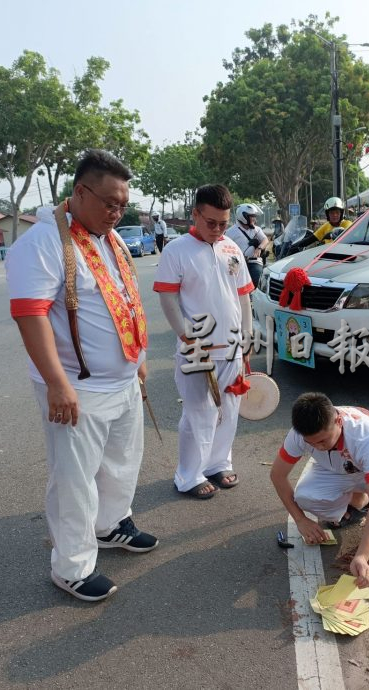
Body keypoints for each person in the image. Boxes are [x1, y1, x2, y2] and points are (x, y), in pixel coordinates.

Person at [5, 149, 158, 603]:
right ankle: (71, 566)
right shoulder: (44, 243)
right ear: (79, 191)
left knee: (122, 462)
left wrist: (139, 357)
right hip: (78, 387)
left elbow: (127, 300)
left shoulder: (112, 239)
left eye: (122, 205)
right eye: (110, 202)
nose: (117, 212)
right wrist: (56, 383)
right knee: (73, 478)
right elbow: (30, 316)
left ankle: (111, 524)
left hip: (123, 380)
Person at [154, 184, 253, 499]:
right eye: (211, 222)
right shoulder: (176, 250)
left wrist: (247, 335)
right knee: (199, 412)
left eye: (223, 223)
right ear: (195, 214)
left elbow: (244, 297)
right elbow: (167, 298)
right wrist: (186, 334)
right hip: (198, 348)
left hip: (233, 348)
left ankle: (218, 464)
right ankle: (188, 475)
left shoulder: (231, 248)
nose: (218, 229)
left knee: (230, 408)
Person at [270, 393, 369, 588]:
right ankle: (358, 501)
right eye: (311, 443)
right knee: (305, 497)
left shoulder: (366, 436)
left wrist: (362, 556)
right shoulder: (299, 434)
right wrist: (301, 520)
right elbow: (277, 475)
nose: (318, 447)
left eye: (322, 440)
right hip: (337, 468)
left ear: (338, 421)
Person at [226, 203, 269, 287]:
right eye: (252, 216)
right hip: (235, 261)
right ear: (244, 216)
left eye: (254, 216)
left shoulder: (256, 229)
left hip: (254, 261)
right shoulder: (231, 232)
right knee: (231, 282)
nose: (254, 219)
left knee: (257, 281)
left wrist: (259, 248)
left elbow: (265, 240)